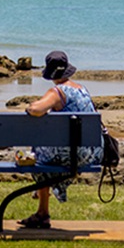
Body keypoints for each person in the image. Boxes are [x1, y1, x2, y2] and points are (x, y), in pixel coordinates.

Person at [19, 50, 103, 229]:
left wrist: (31, 107)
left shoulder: (57, 92)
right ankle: (43, 204)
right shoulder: (81, 90)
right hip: (89, 152)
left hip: (71, 153)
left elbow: (36, 109)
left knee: (35, 154)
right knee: (43, 149)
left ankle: (42, 211)